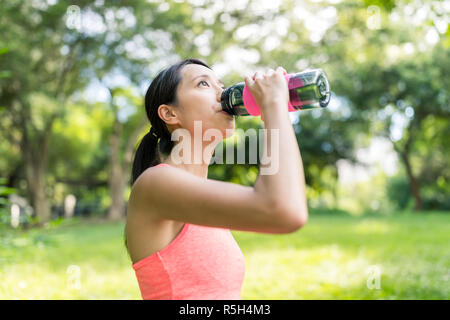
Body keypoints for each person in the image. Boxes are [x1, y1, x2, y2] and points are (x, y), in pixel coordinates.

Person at [124, 58, 308, 300]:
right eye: (203, 84)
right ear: (169, 113)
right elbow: (285, 211)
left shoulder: (200, 201)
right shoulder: (155, 184)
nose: (222, 93)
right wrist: (274, 105)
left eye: (220, 85)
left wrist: (275, 107)